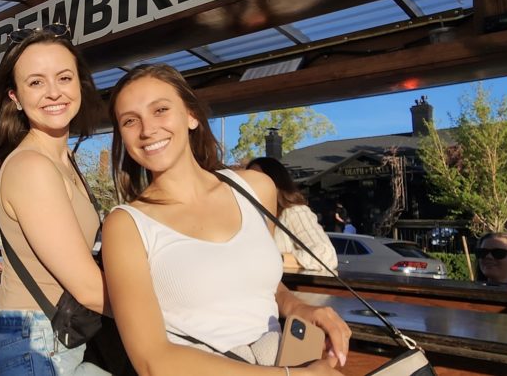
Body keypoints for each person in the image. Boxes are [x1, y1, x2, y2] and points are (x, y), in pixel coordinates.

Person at [102, 64, 349, 375]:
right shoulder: (126, 225)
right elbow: (152, 361)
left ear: (191, 116)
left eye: (161, 109)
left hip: (279, 357)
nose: (147, 129)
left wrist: (300, 308)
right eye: (130, 120)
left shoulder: (256, 189)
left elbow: (261, 285)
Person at [0, 26, 109, 376]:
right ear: (14, 96)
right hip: (32, 345)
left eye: (64, 77)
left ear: (80, 84)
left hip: (48, 335)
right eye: (35, 82)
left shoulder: (62, 159)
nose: (53, 92)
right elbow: (89, 288)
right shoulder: (32, 165)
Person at [246, 157, 337, 273]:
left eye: (258, 179)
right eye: (248, 180)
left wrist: (275, 260)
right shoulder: (247, 217)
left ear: (276, 183)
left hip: (289, 287)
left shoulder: (293, 212)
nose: (251, 185)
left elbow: (326, 255)